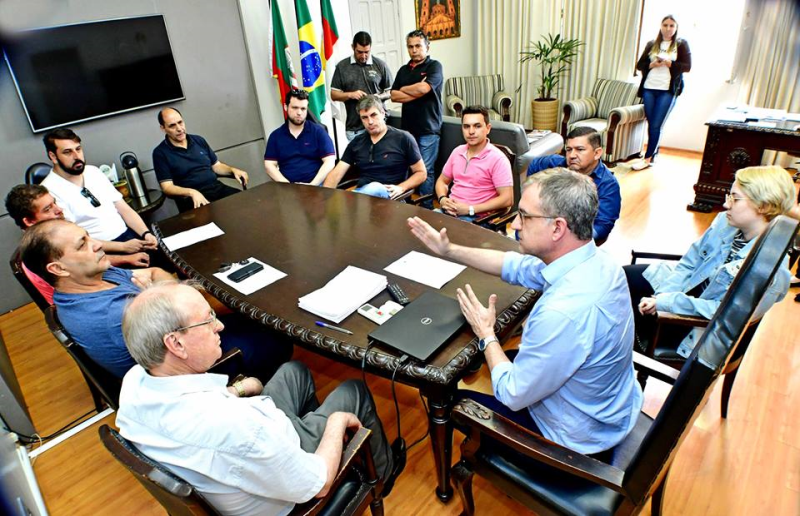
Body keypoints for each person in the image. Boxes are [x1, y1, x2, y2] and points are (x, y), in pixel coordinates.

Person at [408, 169, 642, 457]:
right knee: (502, 359)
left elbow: (512, 394)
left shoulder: (561, 313)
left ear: (557, 228)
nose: (515, 223)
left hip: (572, 442)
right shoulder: (600, 262)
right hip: (610, 410)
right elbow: (514, 266)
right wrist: (449, 250)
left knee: (445, 397)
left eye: (525, 216)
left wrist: (486, 335)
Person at [116, 282, 405, 515]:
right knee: (353, 392)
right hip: (291, 487)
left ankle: (312, 435)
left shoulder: (135, 383)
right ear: (176, 343)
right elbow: (317, 484)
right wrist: (336, 424)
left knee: (293, 371)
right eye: (207, 320)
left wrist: (237, 390)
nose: (219, 326)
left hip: (251, 455)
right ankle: (382, 476)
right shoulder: (239, 426)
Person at [19, 219, 290, 380]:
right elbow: (198, 308)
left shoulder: (95, 275)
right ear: (58, 269)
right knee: (275, 332)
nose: (98, 244)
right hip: (184, 372)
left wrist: (160, 290)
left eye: (88, 236)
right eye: (82, 244)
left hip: (178, 339)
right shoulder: (111, 312)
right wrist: (169, 291)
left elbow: (155, 272)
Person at [624, 165, 795, 357]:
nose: (726, 205)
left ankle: (622, 357)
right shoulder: (726, 222)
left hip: (701, 330)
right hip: (692, 292)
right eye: (729, 196)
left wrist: (667, 302)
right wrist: (662, 295)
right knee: (622, 277)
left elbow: (725, 314)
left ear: (763, 206)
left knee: (621, 314)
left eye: (735, 198)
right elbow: (690, 263)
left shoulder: (769, 268)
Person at [5, 185, 150, 304]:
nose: (59, 210)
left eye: (54, 203)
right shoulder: (42, 251)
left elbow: (85, 258)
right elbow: (85, 268)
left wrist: (125, 253)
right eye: (48, 209)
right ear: (29, 221)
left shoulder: (48, 237)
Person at [40, 129, 159, 259]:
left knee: (166, 260)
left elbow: (124, 209)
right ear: (53, 156)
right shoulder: (49, 191)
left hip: (129, 237)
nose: (77, 156)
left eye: (78, 149)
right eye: (67, 152)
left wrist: (146, 234)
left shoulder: (93, 172)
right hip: (97, 252)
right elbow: (74, 239)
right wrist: (123, 247)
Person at [526, 126, 621, 242]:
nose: (572, 155)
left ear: (597, 153)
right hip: (545, 225)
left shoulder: (608, 184)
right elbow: (534, 164)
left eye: (580, 149)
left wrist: (571, 241)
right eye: (569, 149)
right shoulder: (555, 164)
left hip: (577, 238)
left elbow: (602, 226)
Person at [323, 96, 426, 199]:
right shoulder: (357, 142)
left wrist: (401, 187)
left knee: (376, 188)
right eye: (364, 117)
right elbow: (336, 173)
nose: (370, 122)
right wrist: (323, 198)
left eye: (373, 115)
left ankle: (351, 201)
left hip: (392, 198)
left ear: (383, 113)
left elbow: (421, 173)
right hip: (364, 197)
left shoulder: (403, 138)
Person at [153, 107, 250, 211]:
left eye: (180, 122)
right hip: (192, 198)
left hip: (216, 188)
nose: (179, 128)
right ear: (163, 128)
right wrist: (191, 192)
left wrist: (232, 170)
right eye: (172, 126)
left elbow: (216, 166)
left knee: (248, 203)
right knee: (216, 216)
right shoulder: (160, 153)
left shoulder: (198, 140)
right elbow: (167, 187)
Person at [632, 15, 691, 171]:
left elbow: (687, 66)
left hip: (667, 91)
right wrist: (652, 64)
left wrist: (671, 64)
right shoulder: (652, 44)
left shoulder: (681, 44)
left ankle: (647, 158)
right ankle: (654, 154)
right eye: (665, 25)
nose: (668, 28)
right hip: (649, 88)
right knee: (652, 124)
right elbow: (639, 65)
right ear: (660, 26)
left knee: (656, 125)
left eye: (672, 25)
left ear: (676, 28)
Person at [391, 30, 443, 203]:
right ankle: (408, 206)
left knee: (426, 171)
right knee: (407, 169)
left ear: (427, 46)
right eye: (410, 46)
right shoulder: (403, 70)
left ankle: (426, 208)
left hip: (429, 129)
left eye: (418, 46)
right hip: (408, 130)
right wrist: (416, 91)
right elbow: (393, 95)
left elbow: (424, 88)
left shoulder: (434, 66)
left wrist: (405, 89)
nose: (414, 50)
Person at [435, 105, 513, 221]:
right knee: (417, 227)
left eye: (477, 126)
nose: (471, 132)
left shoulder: (498, 159)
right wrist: (442, 199)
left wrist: (470, 209)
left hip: (477, 218)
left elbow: (507, 199)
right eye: (466, 126)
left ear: (488, 128)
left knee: (438, 231)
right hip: (448, 211)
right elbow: (442, 181)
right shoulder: (457, 152)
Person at [330, 31, 394, 141]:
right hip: (355, 128)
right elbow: (334, 95)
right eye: (359, 52)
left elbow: (391, 92)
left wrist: (378, 97)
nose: (363, 56)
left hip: (378, 125)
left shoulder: (380, 65)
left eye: (367, 52)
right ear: (353, 47)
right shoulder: (342, 67)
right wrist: (350, 95)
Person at [263, 89, 335, 185]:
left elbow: (330, 161)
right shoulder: (275, 136)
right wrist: (288, 186)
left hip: (316, 185)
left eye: (303, 109)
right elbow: (269, 164)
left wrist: (312, 185)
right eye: (295, 108)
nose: (299, 113)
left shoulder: (318, 132)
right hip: (287, 187)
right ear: (285, 107)